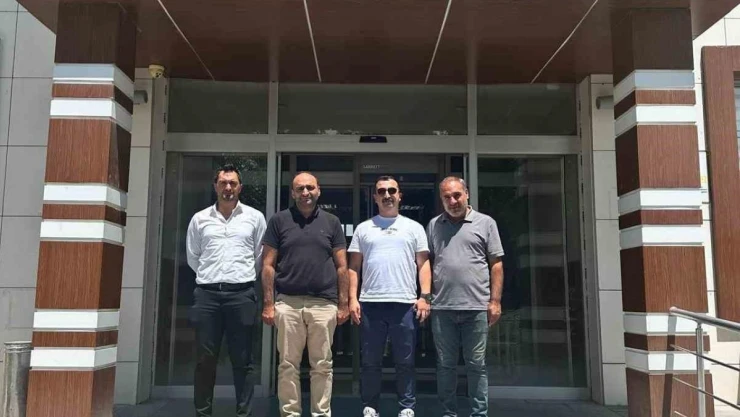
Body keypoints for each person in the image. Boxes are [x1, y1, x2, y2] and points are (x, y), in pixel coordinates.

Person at [261, 172, 350, 417]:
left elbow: (342, 266)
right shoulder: (279, 221)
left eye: (310, 188)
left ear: (318, 190)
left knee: (322, 365)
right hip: (288, 304)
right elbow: (268, 265)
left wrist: (343, 304)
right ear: (292, 193)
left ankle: (321, 413)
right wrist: (269, 304)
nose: (305, 193)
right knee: (287, 365)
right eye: (300, 189)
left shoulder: (332, 222)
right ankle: (290, 413)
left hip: (323, 304)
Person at [186, 164, 267, 417]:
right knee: (204, 360)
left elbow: (259, 257)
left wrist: (238, 279)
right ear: (215, 186)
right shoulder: (200, 219)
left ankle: (244, 414)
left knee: (243, 361)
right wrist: (213, 278)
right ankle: (203, 413)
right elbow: (193, 257)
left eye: (233, 183)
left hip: (241, 295)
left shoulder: (255, 217)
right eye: (223, 183)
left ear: (240, 187)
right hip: (207, 296)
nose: (228, 187)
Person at [348, 175, 432, 417]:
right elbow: (353, 267)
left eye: (392, 190)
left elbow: (423, 265)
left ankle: (407, 407)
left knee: (405, 361)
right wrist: (352, 299)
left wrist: (425, 297)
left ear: (399, 195)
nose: (387, 195)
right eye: (382, 191)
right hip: (370, 304)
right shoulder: (363, 229)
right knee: (370, 361)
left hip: (405, 304)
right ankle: (370, 406)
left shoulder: (414, 228)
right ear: (375, 197)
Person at [426, 176, 505, 417]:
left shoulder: (486, 223)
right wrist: (426, 297)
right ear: (441, 199)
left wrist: (495, 301)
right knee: (445, 366)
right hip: (442, 308)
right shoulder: (434, 225)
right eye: (447, 197)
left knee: (476, 366)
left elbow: (496, 264)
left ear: (467, 194)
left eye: (457, 195)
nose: (453, 201)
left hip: (476, 308)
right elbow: (428, 263)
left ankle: (479, 414)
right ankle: (448, 413)